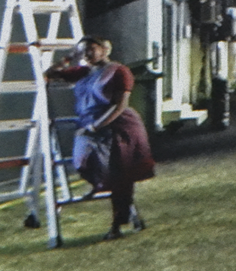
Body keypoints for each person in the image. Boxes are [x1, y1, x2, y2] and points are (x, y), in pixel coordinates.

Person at [44, 37, 157, 239]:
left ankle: (116, 225)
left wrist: (96, 126)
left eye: (90, 49)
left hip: (118, 127)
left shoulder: (119, 71)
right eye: (83, 51)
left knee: (118, 174)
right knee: (82, 163)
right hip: (89, 127)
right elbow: (50, 75)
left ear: (104, 50)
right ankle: (122, 204)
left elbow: (120, 105)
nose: (86, 54)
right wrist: (68, 58)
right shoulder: (84, 72)